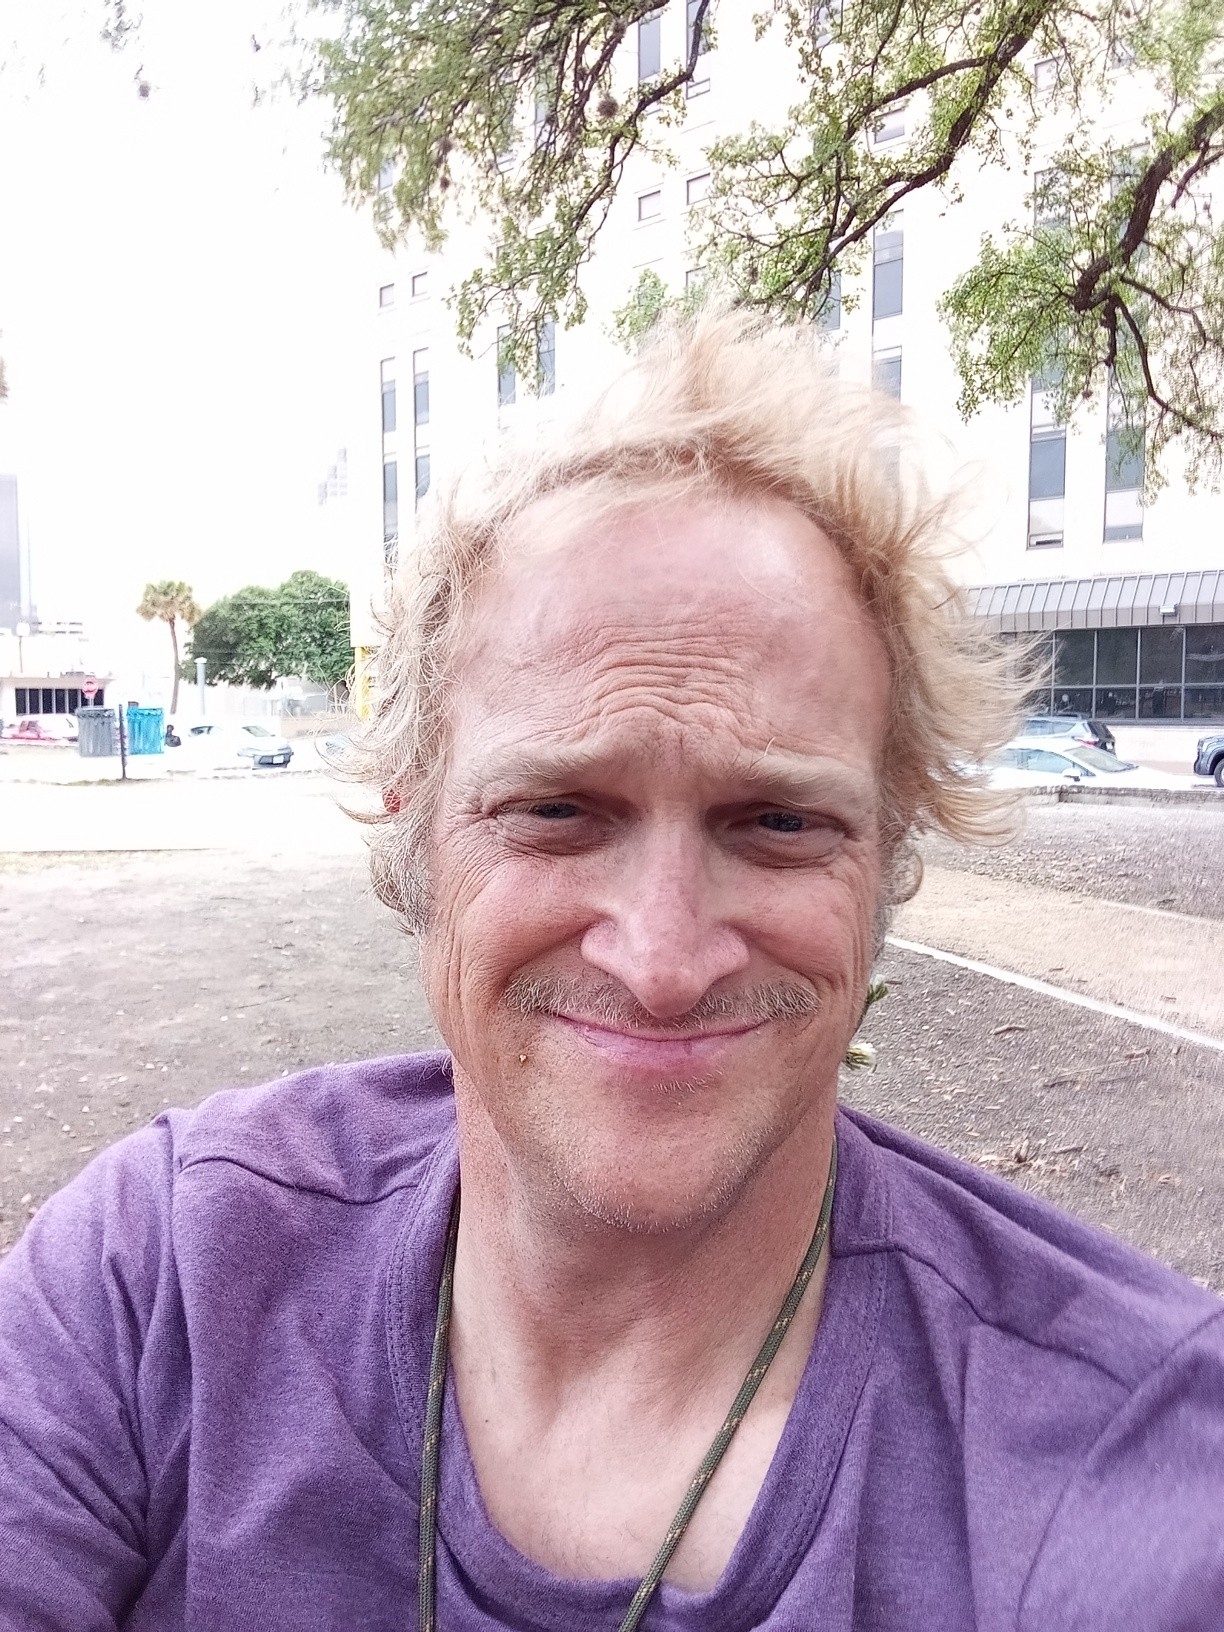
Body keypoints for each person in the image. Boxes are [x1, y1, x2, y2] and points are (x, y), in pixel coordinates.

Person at [0, 314, 1221, 1631]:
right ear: (416, 836)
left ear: (887, 864)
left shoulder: (1140, 1471)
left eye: (778, 822)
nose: (663, 960)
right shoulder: (160, 1285)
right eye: (556, 811)